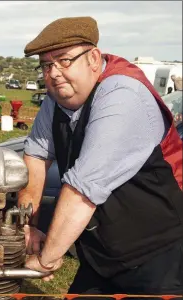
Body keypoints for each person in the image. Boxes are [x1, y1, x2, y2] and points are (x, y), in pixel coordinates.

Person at [19, 17, 183, 296]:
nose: (54, 72)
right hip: (103, 255)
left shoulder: (123, 95)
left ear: (93, 58)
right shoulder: (56, 99)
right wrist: (29, 225)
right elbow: (36, 155)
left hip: (160, 254)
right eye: (46, 65)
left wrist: (46, 259)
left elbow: (81, 192)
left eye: (64, 60)